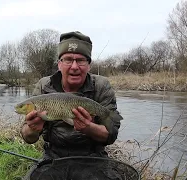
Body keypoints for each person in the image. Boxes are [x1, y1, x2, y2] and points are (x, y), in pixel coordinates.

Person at [20, 31, 123, 178]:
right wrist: (33, 129)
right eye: (68, 60)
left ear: (88, 65)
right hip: (54, 156)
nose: (74, 66)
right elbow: (28, 138)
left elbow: (110, 135)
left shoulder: (101, 85)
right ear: (59, 64)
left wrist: (88, 128)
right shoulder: (44, 86)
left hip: (93, 157)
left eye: (80, 60)